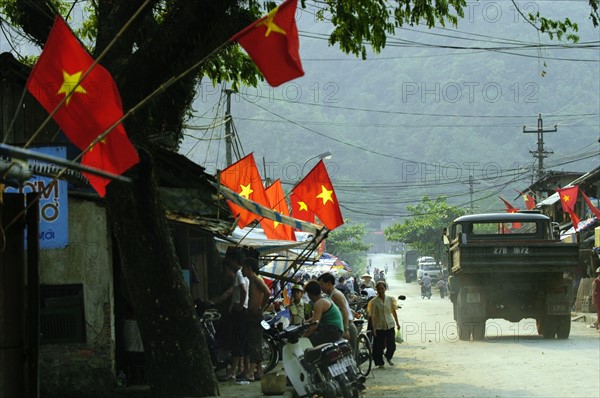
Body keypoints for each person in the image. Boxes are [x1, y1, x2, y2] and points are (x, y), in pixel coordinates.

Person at [209, 252, 248, 381]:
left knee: (236, 341)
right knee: (239, 340)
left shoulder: (239, 274)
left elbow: (240, 290)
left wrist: (240, 305)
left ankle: (232, 372)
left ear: (234, 261)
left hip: (239, 312)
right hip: (238, 310)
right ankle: (240, 368)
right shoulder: (243, 274)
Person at [239, 257, 271, 382]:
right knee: (253, 342)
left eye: (243, 268)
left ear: (249, 268)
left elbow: (268, 292)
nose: (242, 271)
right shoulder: (251, 280)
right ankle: (259, 371)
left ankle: (251, 373)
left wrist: (261, 307)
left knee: (254, 344)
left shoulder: (257, 279)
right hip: (251, 315)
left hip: (256, 316)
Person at [317, 273, 358, 353]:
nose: (321, 287)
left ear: (329, 283)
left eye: (322, 284)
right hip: (342, 326)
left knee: (351, 354)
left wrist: (346, 330)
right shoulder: (329, 295)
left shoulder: (336, 294)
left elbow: (344, 310)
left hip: (347, 325)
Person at [368, 281, 400, 369]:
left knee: (392, 345)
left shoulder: (390, 299)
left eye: (382, 288)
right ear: (376, 290)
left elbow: (393, 312)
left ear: (385, 289)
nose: (380, 290)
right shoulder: (374, 302)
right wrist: (373, 328)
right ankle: (380, 363)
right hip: (379, 326)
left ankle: (388, 357)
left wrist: (397, 323)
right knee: (378, 346)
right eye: (378, 289)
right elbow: (373, 316)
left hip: (390, 324)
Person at [303, 280, 344, 346]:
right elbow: (315, 318)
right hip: (336, 330)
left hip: (332, 330)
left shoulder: (319, 303)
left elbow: (314, 326)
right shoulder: (325, 298)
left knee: (308, 344)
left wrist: (302, 336)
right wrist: (303, 323)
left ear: (310, 294)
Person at [122, 306, 145, 385]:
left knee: (132, 367)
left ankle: (132, 381)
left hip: (130, 349)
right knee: (140, 367)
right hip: (139, 349)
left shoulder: (126, 323)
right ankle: (140, 381)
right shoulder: (137, 324)